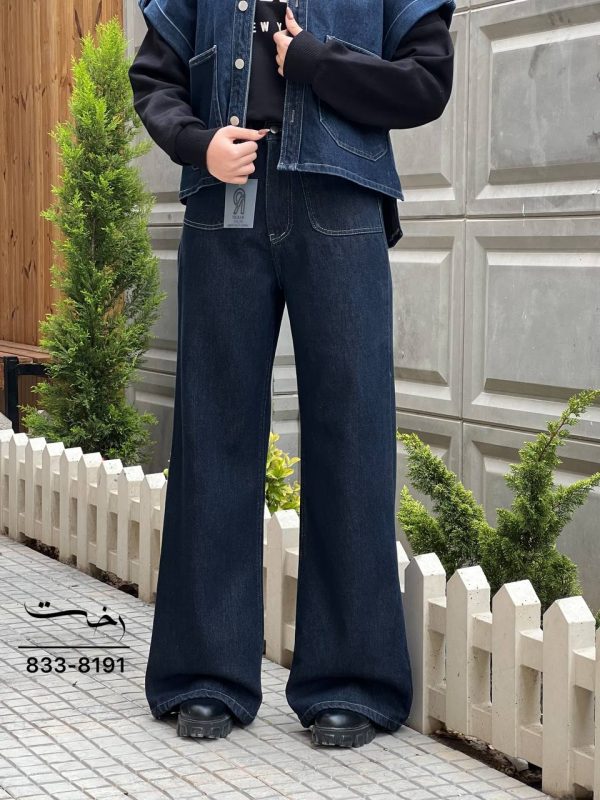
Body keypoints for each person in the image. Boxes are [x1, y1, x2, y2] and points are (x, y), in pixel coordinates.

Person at [129, 0, 454, 748]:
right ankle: (204, 674)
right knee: (213, 433)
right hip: (224, 201)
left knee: (352, 435)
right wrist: (198, 144)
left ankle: (353, 681)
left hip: (341, 201)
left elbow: (426, 81)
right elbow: (155, 78)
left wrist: (317, 64)